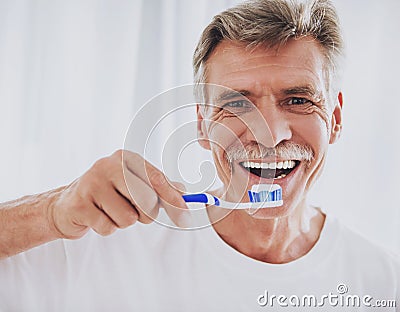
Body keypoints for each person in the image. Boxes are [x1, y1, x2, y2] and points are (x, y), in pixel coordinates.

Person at [0, 0, 399, 311]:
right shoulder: (104, 244)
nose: (272, 134)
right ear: (202, 125)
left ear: (336, 119)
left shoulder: (382, 283)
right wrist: (49, 213)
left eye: (297, 100)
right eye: (236, 105)